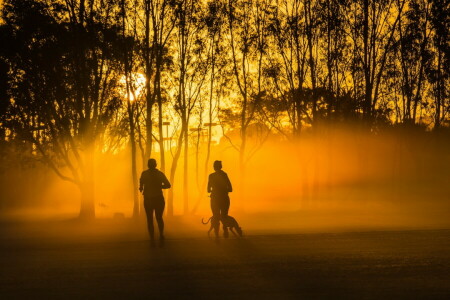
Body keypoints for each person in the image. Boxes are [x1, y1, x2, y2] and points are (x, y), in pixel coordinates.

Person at [139, 158, 171, 246]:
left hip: (150, 199)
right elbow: (168, 185)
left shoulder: (144, 174)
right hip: (158, 198)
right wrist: (160, 186)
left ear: (148, 165)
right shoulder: (159, 174)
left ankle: (152, 238)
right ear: (156, 165)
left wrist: (141, 188)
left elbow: (141, 183)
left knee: (150, 219)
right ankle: (160, 235)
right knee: (159, 218)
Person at [207, 160, 233, 238]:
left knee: (216, 216)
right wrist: (224, 190)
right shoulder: (224, 175)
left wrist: (214, 191)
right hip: (224, 198)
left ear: (214, 167)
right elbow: (231, 188)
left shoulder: (211, 176)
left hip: (215, 199)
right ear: (221, 167)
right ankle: (225, 231)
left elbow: (208, 189)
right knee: (224, 216)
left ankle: (217, 234)